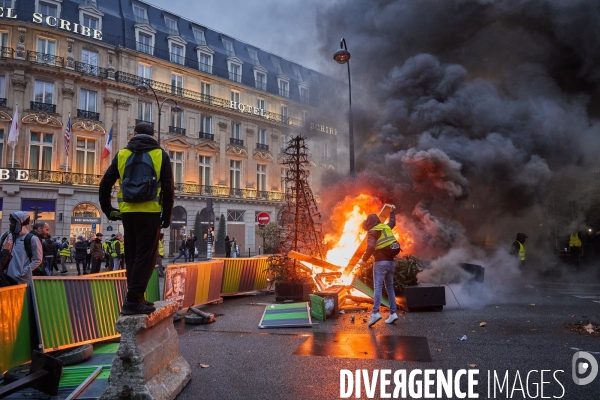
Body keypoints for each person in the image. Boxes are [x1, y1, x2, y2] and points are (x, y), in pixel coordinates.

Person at [99, 121, 174, 315]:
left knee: (132, 256)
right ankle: (132, 300)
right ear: (153, 135)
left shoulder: (123, 154)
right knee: (147, 257)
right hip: (150, 213)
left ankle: (136, 297)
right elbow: (168, 189)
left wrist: (108, 210)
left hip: (128, 213)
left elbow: (105, 184)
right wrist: (166, 215)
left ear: (134, 134)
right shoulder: (160, 155)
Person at [357, 206, 401, 327]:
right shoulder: (386, 227)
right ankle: (393, 313)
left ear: (369, 223)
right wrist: (392, 211)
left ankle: (375, 313)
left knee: (378, 287)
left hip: (380, 263)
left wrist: (363, 260)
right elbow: (393, 222)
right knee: (390, 288)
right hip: (391, 263)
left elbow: (370, 247)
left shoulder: (372, 232)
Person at [5, 211, 43, 285]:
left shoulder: (32, 239)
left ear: (20, 223)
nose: (11, 225)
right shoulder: (6, 236)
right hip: (5, 279)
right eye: (11, 222)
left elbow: (38, 259)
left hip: (21, 281)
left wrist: (24, 272)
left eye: (13, 222)